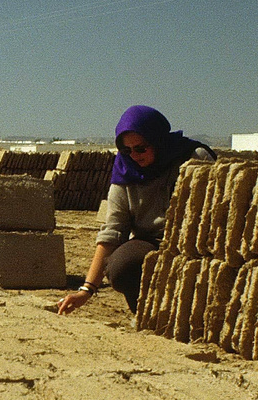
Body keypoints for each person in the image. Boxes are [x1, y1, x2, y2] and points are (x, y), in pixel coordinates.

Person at [56, 105, 214, 316]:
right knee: (121, 266)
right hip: (150, 240)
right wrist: (86, 290)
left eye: (141, 148)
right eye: (126, 150)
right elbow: (112, 232)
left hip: (196, 239)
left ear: (158, 140)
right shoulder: (125, 173)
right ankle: (148, 315)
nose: (134, 156)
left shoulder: (194, 157)